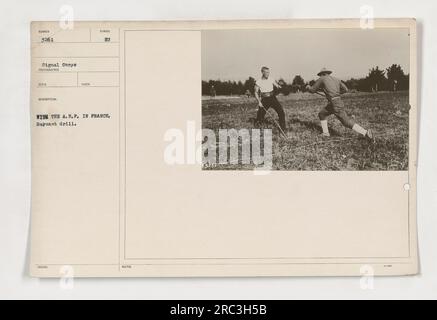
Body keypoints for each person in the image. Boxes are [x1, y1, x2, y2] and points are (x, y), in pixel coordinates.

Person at [307, 68, 374, 141]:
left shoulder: (322, 79)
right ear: (328, 73)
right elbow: (345, 89)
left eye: (320, 75)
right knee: (322, 114)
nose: (320, 76)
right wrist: (336, 94)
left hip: (334, 103)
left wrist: (308, 87)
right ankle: (326, 133)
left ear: (322, 74)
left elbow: (312, 90)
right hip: (336, 101)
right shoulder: (336, 79)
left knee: (346, 121)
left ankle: (365, 133)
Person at [254, 66, 287, 132]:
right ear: (262, 72)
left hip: (272, 98)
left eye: (268, 72)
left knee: (281, 112)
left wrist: (280, 86)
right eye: (266, 72)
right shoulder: (258, 82)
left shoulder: (271, 79)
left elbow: (277, 85)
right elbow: (255, 92)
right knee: (260, 115)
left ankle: (283, 128)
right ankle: (258, 127)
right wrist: (259, 102)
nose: (267, 74)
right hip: (264, 99)